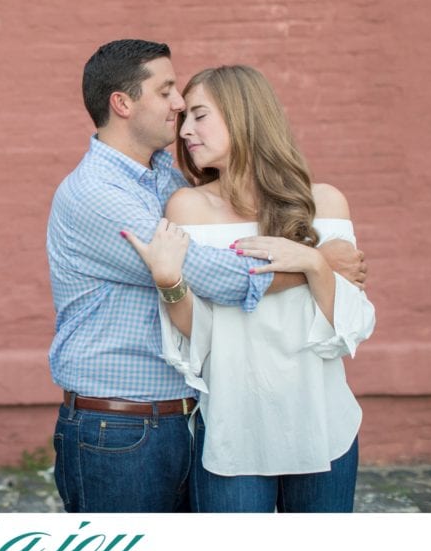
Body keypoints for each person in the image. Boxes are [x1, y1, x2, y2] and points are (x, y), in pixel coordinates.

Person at [46, 40, 367, 513]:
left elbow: (348, 318)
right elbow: (210, 276)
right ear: (123, 103)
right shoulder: (99, 193)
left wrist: (317, 264)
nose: (178, 109)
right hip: (120, 427)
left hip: (187, 417)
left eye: (195, 108)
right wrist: (315, 264)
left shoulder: (164, 178)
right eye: (167, 91)